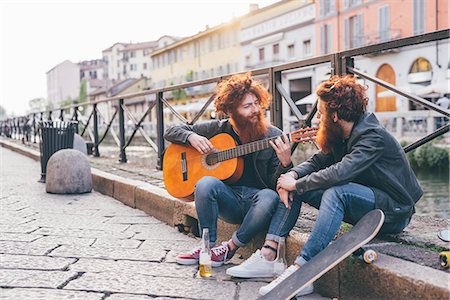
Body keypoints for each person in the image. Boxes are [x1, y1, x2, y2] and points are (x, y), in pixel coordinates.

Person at [226, 75, 423, 297]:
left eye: (320, 112)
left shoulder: (372, 137)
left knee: (335, 192)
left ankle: (302, 271)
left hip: (394, 211)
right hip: (366, 205)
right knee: (299, 188)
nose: (317, 117)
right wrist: (291, 174)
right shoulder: (341, 134)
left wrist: (297, 184)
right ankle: (270, 254)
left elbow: (341, 173)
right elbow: (317, 162)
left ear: (336, 116)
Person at [164, 72, 293, 268]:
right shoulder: (218, 129)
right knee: (205, 183)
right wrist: (191, 138)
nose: (255, 110)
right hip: (228, 200)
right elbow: (171, 131)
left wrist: (285, 163)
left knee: (269, 196)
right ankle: (207, 246)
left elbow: (276, 185)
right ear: (232, 111)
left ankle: (228, 249)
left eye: (256, 103)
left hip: (257, 203)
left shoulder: (273, 136)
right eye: (247, 106)